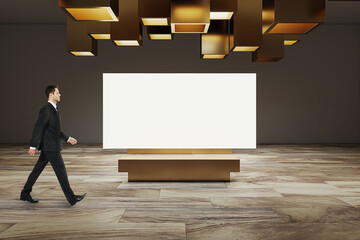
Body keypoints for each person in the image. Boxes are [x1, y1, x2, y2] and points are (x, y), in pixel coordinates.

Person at [20, 85, 86, 206]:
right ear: (51, 94)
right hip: (51, 147)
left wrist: (68, 138)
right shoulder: (46, 109)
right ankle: (71, 198)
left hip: (49, 146)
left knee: (37, 170)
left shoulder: (54, 109)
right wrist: (32, 146)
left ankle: (24, 193)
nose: (60, 94)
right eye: (58, 92)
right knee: (61, 171)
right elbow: (38, 126)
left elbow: (54, 129)